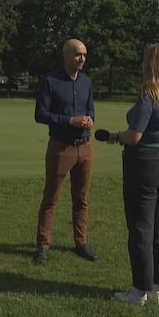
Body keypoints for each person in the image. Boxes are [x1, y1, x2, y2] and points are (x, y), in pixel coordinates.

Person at [112, 43, 159, 306]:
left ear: (151, 63)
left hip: (145, 163)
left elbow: (134, 136)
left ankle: (138, 290)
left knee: (141, 227)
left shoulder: (149, 95)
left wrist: (117, 137)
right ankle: (155, 286)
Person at [33, 38, 99, 265]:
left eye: (84, 55)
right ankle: (43, 246)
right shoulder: (50, 81)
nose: (82, 59)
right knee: (51, 198)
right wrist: (70, 121)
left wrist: (90, 120)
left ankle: (81, 243)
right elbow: (41, 114)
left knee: (81, 199)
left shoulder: (86, 82)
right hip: (61, 147)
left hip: (85, 147)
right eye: (78, 55)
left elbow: (90, 108)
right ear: (66, 55)